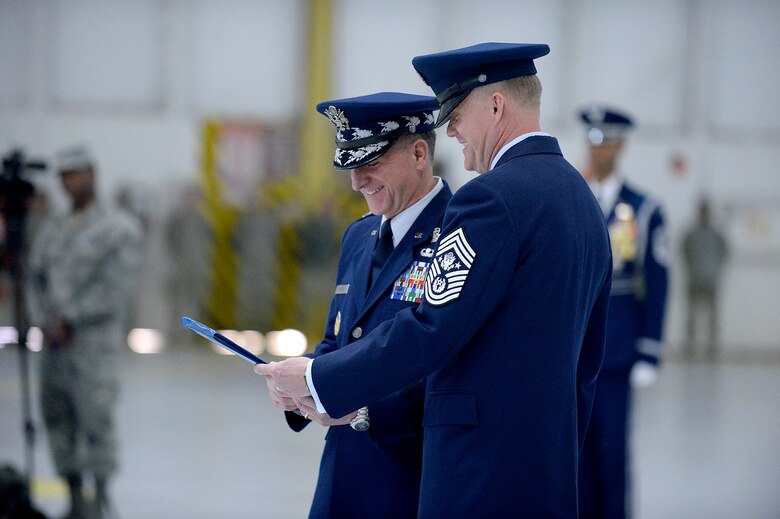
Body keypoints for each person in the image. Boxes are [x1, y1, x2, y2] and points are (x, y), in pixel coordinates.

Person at [258, 42, 612, 517]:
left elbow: (430, 327)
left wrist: (318, 378)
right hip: (543, 471)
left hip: (478, 476)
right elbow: (586, 363)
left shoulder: (491, 200)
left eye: (457, 115)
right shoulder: (581, 199)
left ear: (495, 103)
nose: (454, 132)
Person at [265, 92, 452, 518]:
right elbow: (341, 340)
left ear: (420, 153)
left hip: (412, 476)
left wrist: (363, 408)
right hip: (343, 478)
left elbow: (452, 364)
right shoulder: (359, 237)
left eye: (370, 163)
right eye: (350, 166)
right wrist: (303, 380)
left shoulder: (459, 234)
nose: (356, 181)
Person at [25, 145, 143, 519]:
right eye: (63, 176)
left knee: (96, 420)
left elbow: (116, 288)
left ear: (92, 174)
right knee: (57, 418)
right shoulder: (53, 227)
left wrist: (70, 319)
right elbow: (35, 277)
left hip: (92, 345)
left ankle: (99, 498)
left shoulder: (117, 227)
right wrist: (44, 320)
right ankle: (74, 498)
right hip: (54, 344)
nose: (69, 182)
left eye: (76, 173)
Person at [577, 107, 669, 519]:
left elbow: (658, 282)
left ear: (621, 146)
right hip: (576, 352)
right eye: (593, 142)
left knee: (612, 449)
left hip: (616, 350)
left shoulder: (644, 208)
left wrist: (649, 350)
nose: (599, 151)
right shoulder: (575, 201)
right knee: (575, 449)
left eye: (607, 142)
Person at [682, 197, 729, 360]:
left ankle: (712, 350)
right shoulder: (691, 234)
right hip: (695, 279)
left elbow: (724, 253)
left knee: (712, 317)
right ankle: (690, 349)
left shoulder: (716, 235)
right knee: (692, 317)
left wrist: (714, 270)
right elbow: (685, 252)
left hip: (711, 280)